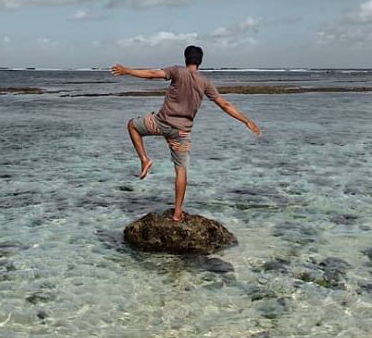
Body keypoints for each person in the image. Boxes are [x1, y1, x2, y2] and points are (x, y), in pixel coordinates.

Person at [110, 45, 260, 222]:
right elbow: (224, 105)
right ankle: (177, 213)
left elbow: (152, 74)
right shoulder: (205, 82)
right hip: (181, 132)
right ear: (200, 61)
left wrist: (126, 70)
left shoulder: (177, 71)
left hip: (161, 123)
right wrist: (246, 121)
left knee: (132, 126)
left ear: (185, 59)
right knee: (180, 170)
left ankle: (144, 159)